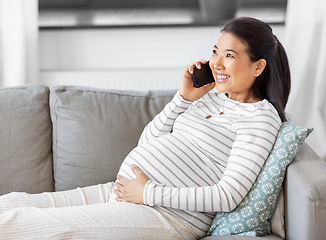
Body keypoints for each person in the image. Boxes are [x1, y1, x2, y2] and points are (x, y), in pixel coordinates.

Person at [0, 17, 290, 239]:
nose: (216, 63)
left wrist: (148, 193)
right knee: (10, 204)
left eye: (230, 55)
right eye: (215, 51)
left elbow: (227, 195)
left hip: (169, 214)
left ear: (257, 66)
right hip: (127, 193)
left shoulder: (260, 118)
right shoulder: (211, 96)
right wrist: (182, 100)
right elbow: (147, 142)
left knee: (17, 225)